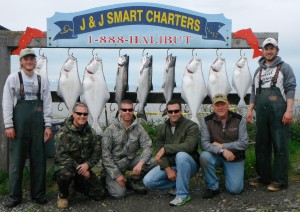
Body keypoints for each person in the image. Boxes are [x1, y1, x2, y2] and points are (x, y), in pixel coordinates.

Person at [2, 48, 52, 208]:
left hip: (38, 126)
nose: (29, 61)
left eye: (31, 58)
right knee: (17, 162)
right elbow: (7, 102)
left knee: (39, 161)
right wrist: (8, 125)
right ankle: (14, 196)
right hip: (19, 126)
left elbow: (48, 103)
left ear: (35, 61)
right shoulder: (13, 78)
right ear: (21, 61)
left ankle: (38, 194)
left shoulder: (42, 79)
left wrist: (48, 125)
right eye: (26, 59)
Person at [246, 37, 296, 191]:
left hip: (279, 113)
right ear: (262, 51)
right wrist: (249, 110)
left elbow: (290, 89)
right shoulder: (258, 70)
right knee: (261, 145)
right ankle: (263, 176)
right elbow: (254, 93)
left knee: (280, 146)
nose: (269, 51)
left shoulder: (284, 68)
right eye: (266, 48)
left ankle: (279, 180)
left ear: (277, 50)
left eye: (272, 48)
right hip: (262, 113)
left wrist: (289, 110)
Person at [143, 99, 200, 206]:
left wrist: (166, 148)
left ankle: (183, 195)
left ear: (181, 110)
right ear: (167, 112)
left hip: (189, 164)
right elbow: (159, 153)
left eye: (176, 111)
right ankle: (180, 184)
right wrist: (168, 170)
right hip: (171, 165)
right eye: (170, 112)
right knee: (148, 181)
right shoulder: (162, 128)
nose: (173, 114)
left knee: (181, 155)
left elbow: (189, 146)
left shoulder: (192, 126)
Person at [101, 99, 156, 199]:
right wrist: (117, 175)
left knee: (155, 162)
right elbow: (105, 156)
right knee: (119, 194)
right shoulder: (110, 130)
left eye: (130, 110)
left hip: (130, 160)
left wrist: (141, 163)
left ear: (133, 111)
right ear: (120, 111)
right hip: (115, 165)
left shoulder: (139, 127)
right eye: (124, 110)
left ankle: (133, 180)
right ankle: (106, 179)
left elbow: (148, 146)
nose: (127, 112)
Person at [54, 102, 105, 209]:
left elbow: (97, 152)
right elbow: (61, 156)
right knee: (65, 174)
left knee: (99, 194)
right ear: (73, 113)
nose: (82, 116)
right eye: (79, 113)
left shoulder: (91, 132)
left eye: (85, 114)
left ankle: (75, 185)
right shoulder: (62, 133)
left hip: (84, 168)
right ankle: (63, 195)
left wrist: (88, 164)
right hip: (67, 167)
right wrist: (79, 168)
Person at [200, 93, 248, 198]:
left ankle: (231, 174)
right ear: (213, 106)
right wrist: (222, 150)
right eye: (217, 105)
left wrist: (223, 145)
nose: (220, 107)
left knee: (235, 189)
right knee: (204, 156)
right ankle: (213, 187)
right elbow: (204, 143)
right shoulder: (206, 121)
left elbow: (244, 143)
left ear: (228, 104)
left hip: (235, 157)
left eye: (223, 104)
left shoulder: (239, 119)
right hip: (216, 155)